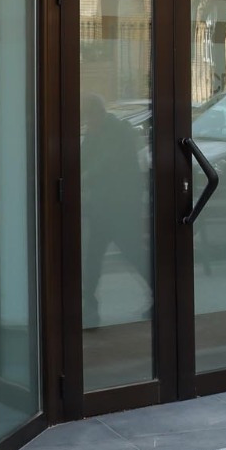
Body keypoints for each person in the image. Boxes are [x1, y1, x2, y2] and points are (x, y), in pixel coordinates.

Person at [79, 92, 151, 328]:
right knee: (94, 257)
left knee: (133, 253)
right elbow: (84, 159)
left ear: (96, 113)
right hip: (103, 207)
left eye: (87, 117)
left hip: (121, 206)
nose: (86, 123)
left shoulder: (117, 132)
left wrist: (85, 178)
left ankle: (164, 295)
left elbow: (105, 163)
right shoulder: (94, 132)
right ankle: (89, 308)